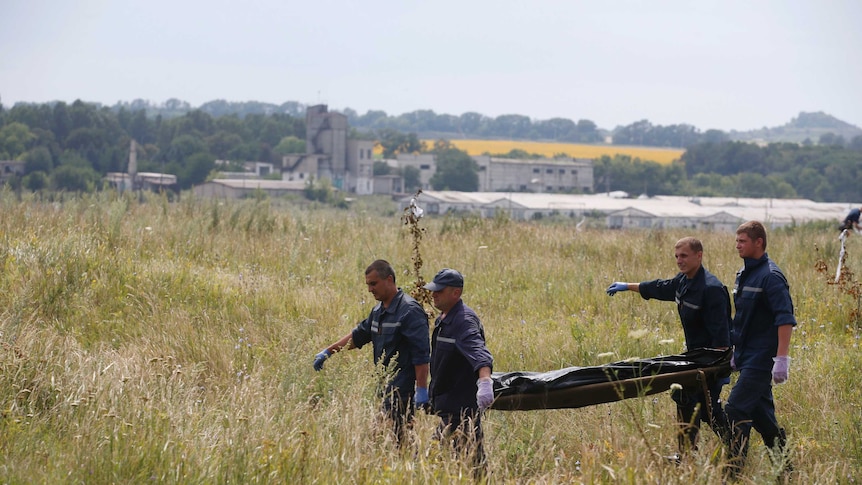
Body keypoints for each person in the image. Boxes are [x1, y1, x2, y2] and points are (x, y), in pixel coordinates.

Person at [606, 236, 732, 457]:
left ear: (699, 256)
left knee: (708, 411)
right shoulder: (683, 281)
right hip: (693, 358)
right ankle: (685, 456)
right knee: (684, 399)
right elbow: (660, 288)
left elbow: (722, 338)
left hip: (711, 361)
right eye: (676, 256)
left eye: (683, 256)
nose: (679, 260)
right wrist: (628, 286)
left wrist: (716, 372)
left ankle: (736, 447)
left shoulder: (711, 289)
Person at [312, 259, 430, 446]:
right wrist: (328, 352)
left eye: (373, 284)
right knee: (399, 442)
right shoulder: (378, 311)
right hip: (383, 389)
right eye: (368, 285)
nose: (370, 289)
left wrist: (422, 389)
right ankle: (409, 469)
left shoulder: (409, 311)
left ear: (389, 280)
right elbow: (358, 336)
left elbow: (421, 355)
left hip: (402, 391)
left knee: (377, 440)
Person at [725, 221, 796, 477]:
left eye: (743, 241)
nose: (738, 245)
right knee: (764, 419)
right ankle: (785, 471)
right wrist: (736, 351)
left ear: (759, 242)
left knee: (734, 410)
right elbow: (743, 317)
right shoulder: (744, 274)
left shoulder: (771, 277)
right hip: (746, 356)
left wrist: (782, 359)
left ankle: (733, 474)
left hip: (762, 359)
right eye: (737, 241)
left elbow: (785, 319)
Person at [424, 268, 494, 472]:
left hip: (461, 411)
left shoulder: (463, 321)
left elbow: (479, 352)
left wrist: (485, 382)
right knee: (470, 464)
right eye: (433, 289)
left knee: (438, 461)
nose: (433, 294)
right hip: (448, 407)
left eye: (439, 290)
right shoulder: (444, 319)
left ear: (456, 293)